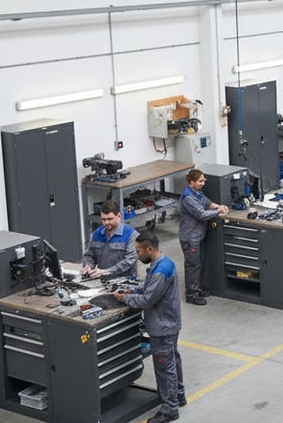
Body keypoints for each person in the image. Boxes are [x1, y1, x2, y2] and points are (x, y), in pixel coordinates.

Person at [113, 232, 185, 423]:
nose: (137, 255)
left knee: (164, 368)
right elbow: (148, 286)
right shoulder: (163, 263)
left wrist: (124, 298)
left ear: (149, 249)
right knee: (172, 360)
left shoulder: (161, 271)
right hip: (170, 323)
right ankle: (178, 396)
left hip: (162, 327)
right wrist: (131, 289)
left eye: (139, 251)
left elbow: (147, 299)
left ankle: (170, 409)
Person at [179, 169, 228, 306]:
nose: (203, 183)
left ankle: (198, 288)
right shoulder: (188, 198)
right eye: (200, 181)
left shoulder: (197, 192)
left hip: (198, 236)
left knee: (199, 263)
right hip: (190, 238)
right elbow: (201, 214)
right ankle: (191, 294)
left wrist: (218, 206)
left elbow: (206, 202)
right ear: (191, 183)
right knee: (193, 266)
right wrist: (217, 212)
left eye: (204, 180)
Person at [81, 200, 138, 279]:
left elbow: (129, 261)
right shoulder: (96, 234)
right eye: (103, 219)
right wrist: (88, 266)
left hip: (125, 281)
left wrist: (105, 272)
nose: (106, 223)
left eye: (110, 219)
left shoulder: (131, 235)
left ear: (119, 216)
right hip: (102, 280)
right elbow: (89, 255)